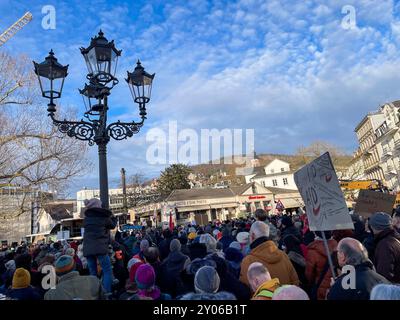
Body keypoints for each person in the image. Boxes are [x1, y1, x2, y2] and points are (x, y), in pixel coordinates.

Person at [239, 221, 299, 287]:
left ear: (252, 236)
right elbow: (295, 282)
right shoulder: (283, 255)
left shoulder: (248, 261)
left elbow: (246, 291)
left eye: (249, 235)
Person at [82, 198, 117, 294]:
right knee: (107, 271)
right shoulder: (103, 217)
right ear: (98, 206)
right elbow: (112, 225)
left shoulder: (86, 219)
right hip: (100, 248)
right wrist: (114, 217)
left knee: (93, 273)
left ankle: (95, 294)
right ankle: (106, 293)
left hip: (88, 249)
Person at [369, 212, 400, 283]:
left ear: (374, 226)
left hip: (390, 290)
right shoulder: (393, 238)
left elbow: (384, 274)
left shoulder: (385, 245)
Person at [305, 231, 337, 300]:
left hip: (320, 285)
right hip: (335, 283)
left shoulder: (313, 251)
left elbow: (309, 274)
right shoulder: (337, 246)